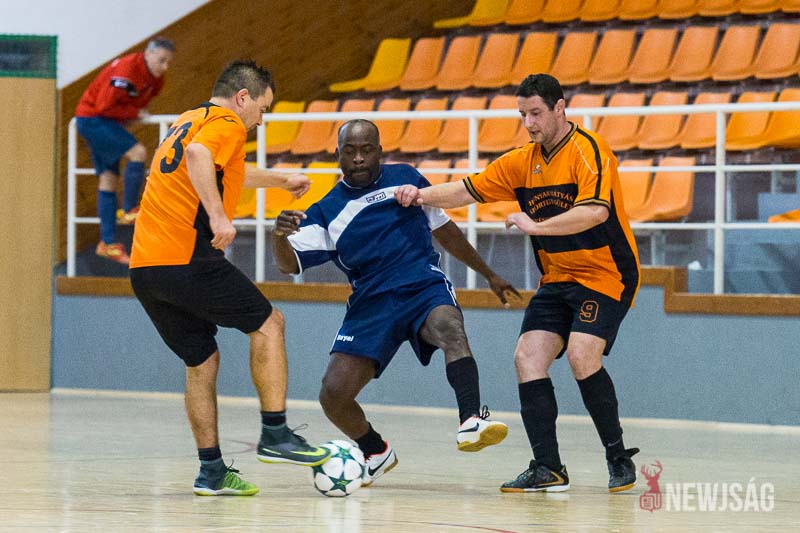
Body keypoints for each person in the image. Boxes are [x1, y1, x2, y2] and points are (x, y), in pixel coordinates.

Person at [394, 74, 642, 494]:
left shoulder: (589, 151)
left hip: (606, 273)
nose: (529, 123)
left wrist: (536, 224)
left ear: (560, 108)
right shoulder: (521, 161)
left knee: (582, 354)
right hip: (558, 277)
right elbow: (466, 190)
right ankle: (548, 468)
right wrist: (419, 195)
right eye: (523, 114)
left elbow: (596, 212)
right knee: (527, 357)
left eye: (537, 113)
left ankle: (617, 456)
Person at [272, 119, 520, 486]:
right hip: (371, 302)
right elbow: (288, 264)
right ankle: (376, 451)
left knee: (450, 328)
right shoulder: (325, 211)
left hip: (420, 284)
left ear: (380, 152)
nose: (358, 158)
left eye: (366, 150)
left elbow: (445, 230)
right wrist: (279, 236)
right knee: (333, 394)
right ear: (337, 154)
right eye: (349, 151)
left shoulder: (406, 178)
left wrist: (489, 273)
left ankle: (471, 419)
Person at [129, 60, 332, 497]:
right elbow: (200, 158)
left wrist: (281, 179)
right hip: (186, 255)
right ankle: (276, 433)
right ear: (243, 97)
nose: (261, 119)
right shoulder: (227, 123)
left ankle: (212, 472)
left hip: (146, 267)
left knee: (201, 362)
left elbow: (219, 167)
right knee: (269, 323)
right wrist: (219, 216)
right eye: (262, 108)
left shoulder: (189, 120)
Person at [76, 37, 175, 264]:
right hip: (94, 121)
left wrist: (133, 112)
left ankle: (107, 244)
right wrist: (134, 113)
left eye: (168, 62)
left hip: (107, 122)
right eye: (161, 60)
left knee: (108, 178)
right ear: (148, 54)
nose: (165, 67)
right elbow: (103, 106)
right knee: (138, 152)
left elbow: (139, 104)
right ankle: (129, 209)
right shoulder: (127, 70)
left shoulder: (156, 79)